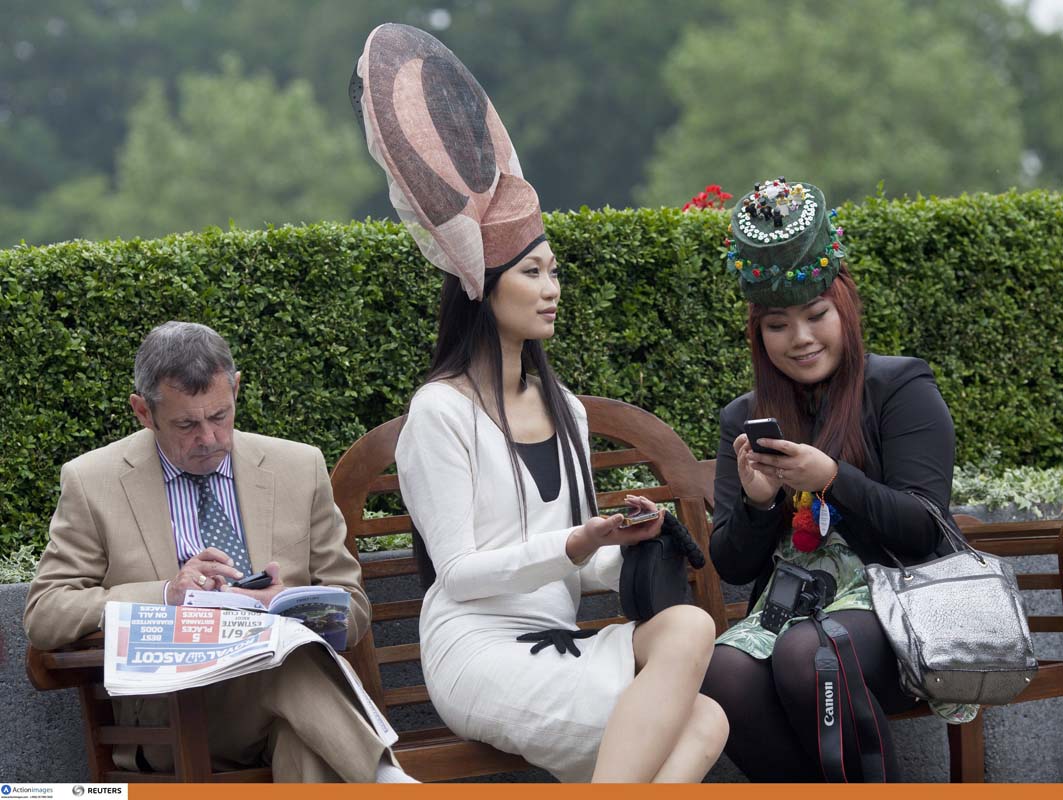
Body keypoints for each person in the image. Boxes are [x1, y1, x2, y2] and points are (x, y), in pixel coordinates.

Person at [355, 23, 728, 783]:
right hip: (477, 651)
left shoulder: (566, 409)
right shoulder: (440, 411)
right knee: (684, 723)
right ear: (484, 289)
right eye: (533, 272)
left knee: (693, 644)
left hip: (559, 643)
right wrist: (573, 543)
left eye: (554, 270)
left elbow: (580, 575)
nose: (552, 287)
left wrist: (623, 540)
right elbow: (459, 574)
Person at [24, 320, 414, 783]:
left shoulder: (298, 466)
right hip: (172, 711)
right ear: (143, 413)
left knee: (299, 723)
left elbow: (352, 605)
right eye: (186, 424)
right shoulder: (94, 482)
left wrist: (296, 607)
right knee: (285, 666)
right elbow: (45, 613)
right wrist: (166, 593)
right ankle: (391, 781)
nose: (208, 438)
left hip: (286, 707)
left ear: (236, 389)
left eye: (220, 416)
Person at [700, 178, 976, 782]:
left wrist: (832, 477)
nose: (799, 339)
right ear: (758, 334)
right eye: (777, 325)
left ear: (843, 307)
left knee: (812, 652)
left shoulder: (901, 388)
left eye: (816, 315)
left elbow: (925, 529)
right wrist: (757, 503)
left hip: (898, 604)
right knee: (721, 671)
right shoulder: (742, 420)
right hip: (793, 606)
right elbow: (734, 565)